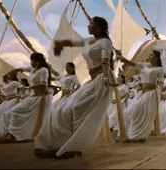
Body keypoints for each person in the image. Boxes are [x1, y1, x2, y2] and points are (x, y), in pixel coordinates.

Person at [34, 17, 115, 159]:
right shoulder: (88, 41)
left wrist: (107, 77)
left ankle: (71, 146)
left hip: (102, 80)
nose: (88, 26)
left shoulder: (105, 42)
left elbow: (105, 61)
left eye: (91, 24)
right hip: (92, 81)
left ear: (99, 27)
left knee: (73, 110)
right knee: (58, 109)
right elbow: (71, 43)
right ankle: (58, 144)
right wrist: (59, 43)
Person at [0, 53, 52, 144]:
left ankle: (12, 136)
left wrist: (29, 88)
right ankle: (1, 134)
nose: (31, 63)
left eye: (32, 61)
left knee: (15, 112)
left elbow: (44, 85)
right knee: (7, 113)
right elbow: (23, 69)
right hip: (32, 97)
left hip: (40, 98)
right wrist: (14, 70)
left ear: (37, 62)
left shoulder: (44, 70)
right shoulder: (33, 69)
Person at [116, 49, 164, 142]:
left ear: (157, 57)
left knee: (142, 114)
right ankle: (127, 134)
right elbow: (131, 63)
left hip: (151, 93)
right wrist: (121, 57)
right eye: (149, 55)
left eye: (151, 55)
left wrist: (164, 89)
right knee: (129, 111)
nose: (149, 57)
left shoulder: (159, 69)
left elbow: (161, 83)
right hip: (141, 93)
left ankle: (137, 136)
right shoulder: (144, 65)